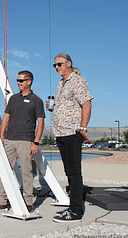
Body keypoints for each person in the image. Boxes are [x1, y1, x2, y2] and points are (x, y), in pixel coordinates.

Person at [0, 70, 45, 213]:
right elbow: (6, 118)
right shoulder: (13, 99)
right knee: (4, 170)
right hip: (10, 140)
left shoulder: (37, 100)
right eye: (17, 80)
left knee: (26, 172)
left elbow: (41, 123)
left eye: (21, 81)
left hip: (26, 141)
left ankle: (28, 202)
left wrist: (35, 142)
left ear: (29, 82)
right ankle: (1, 201)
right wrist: (1, 136)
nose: (18, 83)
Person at [48, 53, 93, 223]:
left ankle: (76, 211)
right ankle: (72, 205)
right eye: (55, 65)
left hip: (72, 133)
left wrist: (82, 128)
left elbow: (86, 103)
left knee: (74, 172)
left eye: (59, 64)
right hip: (61, 133)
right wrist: (53, 109)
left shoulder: (77, 81)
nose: (57, 67)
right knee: (69, 172)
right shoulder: (61, 84)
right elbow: (68, 106)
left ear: (69, 64)